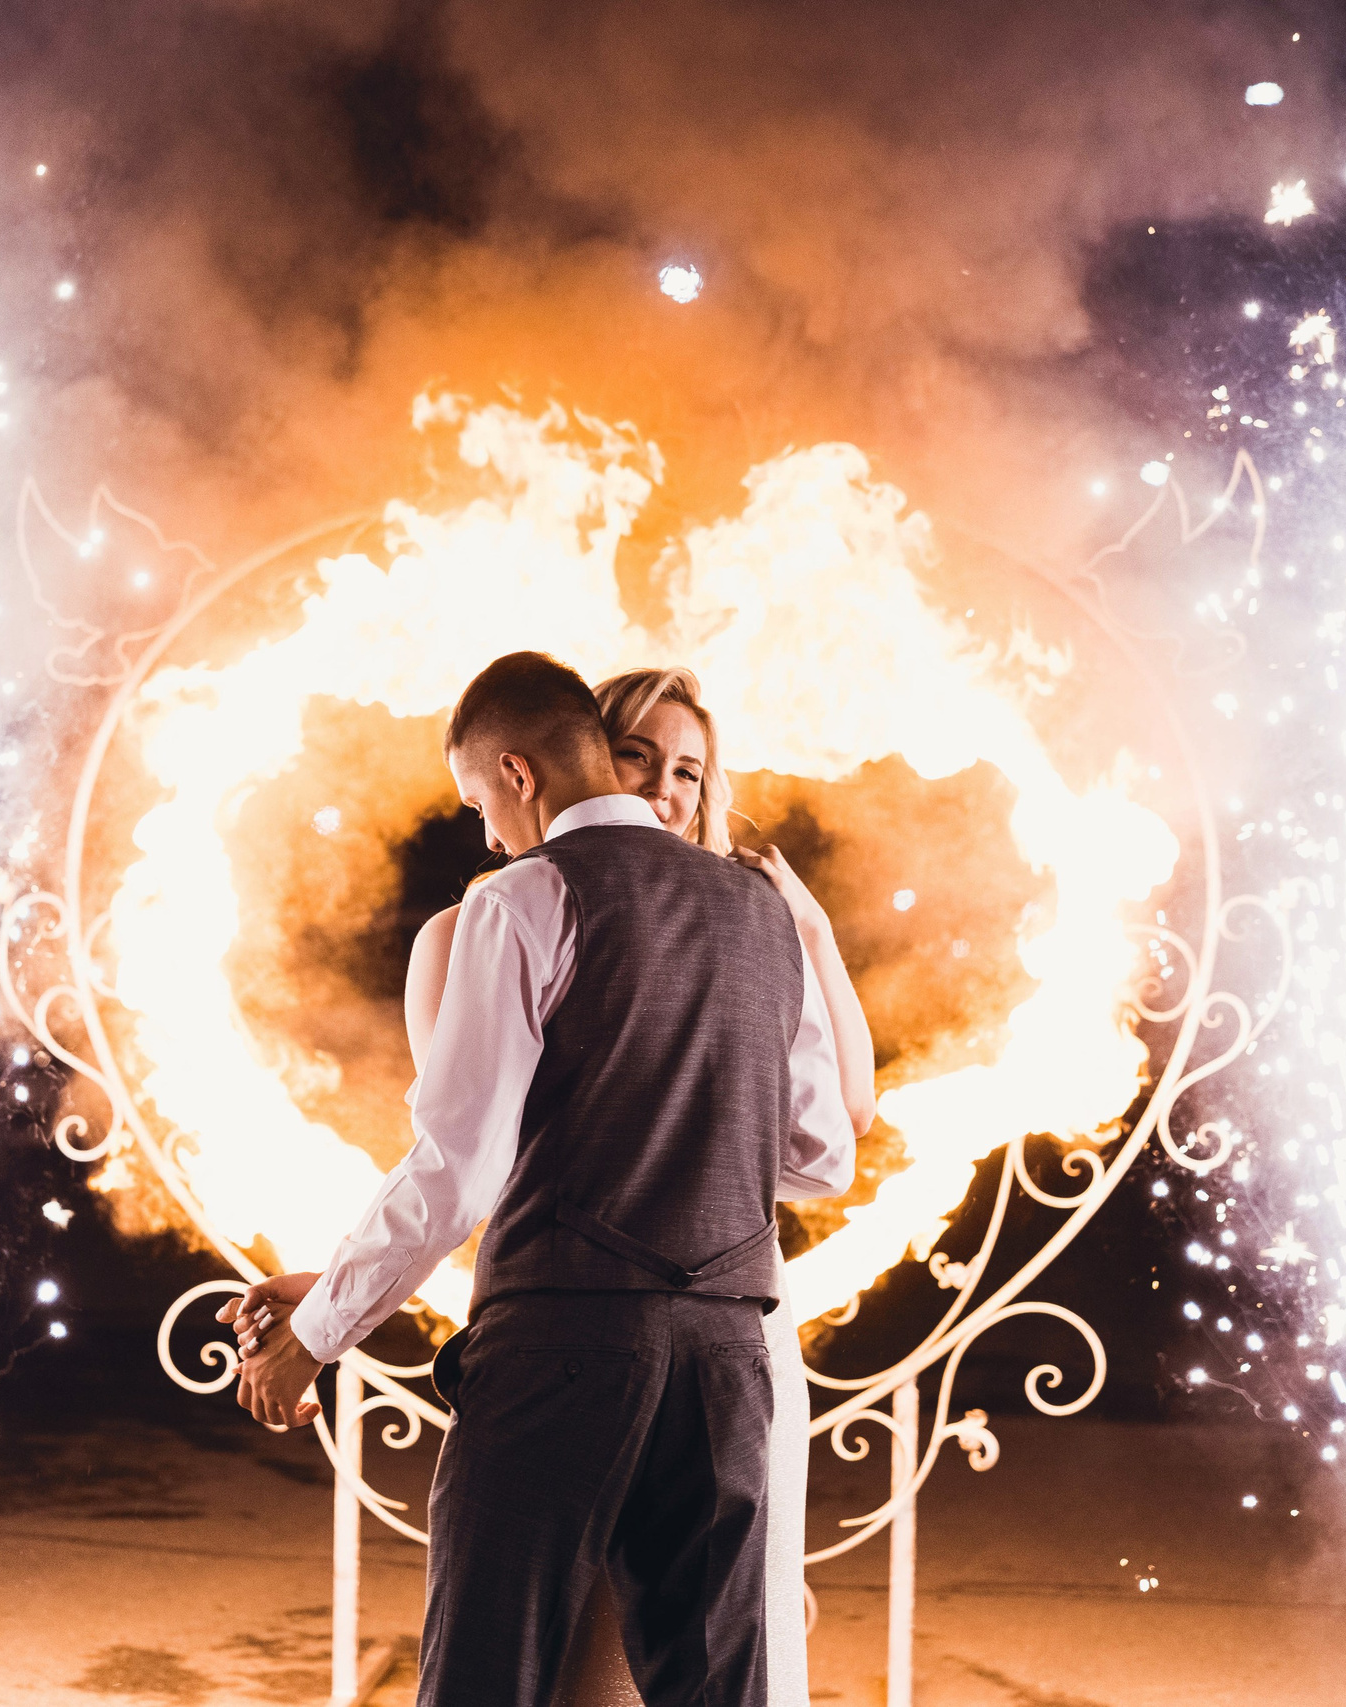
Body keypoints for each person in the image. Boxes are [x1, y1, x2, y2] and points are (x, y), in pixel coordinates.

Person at [222, 653, 874, 1706]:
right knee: (720, 1688)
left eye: (480, 799)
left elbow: (457, 1170)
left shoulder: (519, 900)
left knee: (491, 1676)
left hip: (561, 1352)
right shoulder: (758, 914)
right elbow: (817, 1160)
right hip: (724, 1355)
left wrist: (311, 1340)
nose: (484, 831)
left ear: (518, 775)